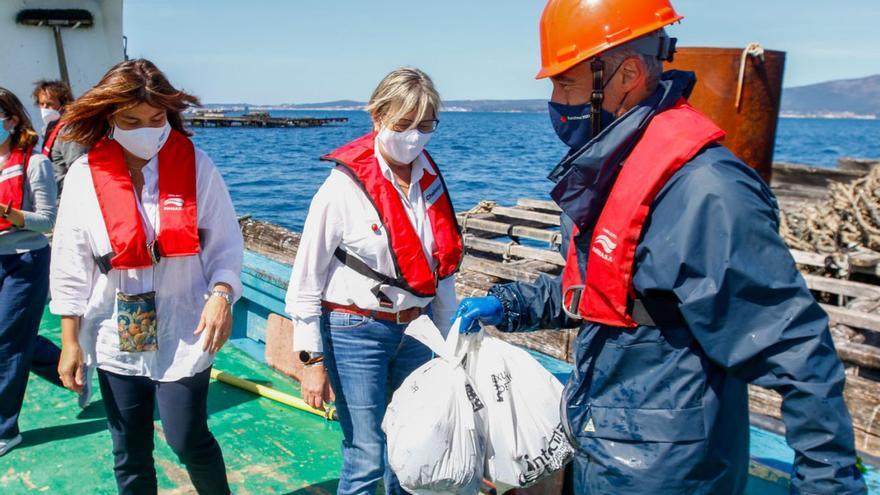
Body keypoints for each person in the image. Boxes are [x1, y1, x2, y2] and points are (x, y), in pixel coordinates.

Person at [453, 1, 868, 494]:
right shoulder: (619, 169)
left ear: (626, 73)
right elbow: (608, 294)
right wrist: (511, 304)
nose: (555, 101)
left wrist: (829, 484)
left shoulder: (706, 191)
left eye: (566, 83)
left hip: (671, 471)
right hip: (602, 447)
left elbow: (798, 353)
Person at [50, 59, 243, 495]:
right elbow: (69, 263)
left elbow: (226, 245)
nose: (147, 129)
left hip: (184, 321)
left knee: (187, 437)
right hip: (115, 326)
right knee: (130, 450)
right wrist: (69, 341)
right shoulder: (84, 176)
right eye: (131, 120)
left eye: (157, 119)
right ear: (109, 118)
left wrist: (222, 294)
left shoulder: (197, 166)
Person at [285, 67, 461, 495]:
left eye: (425, 126)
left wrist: (450, 343)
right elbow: (306, 281)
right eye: (403, 125)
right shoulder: (341, 188)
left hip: (418, 331)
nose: (414, 137)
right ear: (377, 117)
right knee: (366, 453)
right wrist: (311, 362)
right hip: (355, 331)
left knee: (412, 448)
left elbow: (441, 274)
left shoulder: (430, 183)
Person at [0, 88, 59, 457]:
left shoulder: (36, 163)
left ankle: (6, 429)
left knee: (5, 342)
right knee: (16, 338)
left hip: (26, 260)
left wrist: (12, 215)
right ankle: (74, 373)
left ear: (13, 120)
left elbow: (48, 219)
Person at [32, 79, 85, 195]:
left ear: (63, 104)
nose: (45, 109)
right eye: (42, 104)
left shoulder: (69, 130)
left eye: (49, 104)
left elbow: (78, 170)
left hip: (68, 197)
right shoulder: (49, 129)